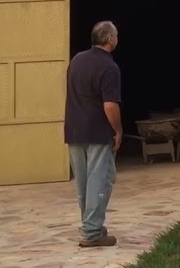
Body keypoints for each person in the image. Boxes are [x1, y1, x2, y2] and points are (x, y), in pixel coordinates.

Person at [64, 20, 123, 248]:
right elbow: (110, 105)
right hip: (97, 130)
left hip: (74, 129)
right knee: (100, 179)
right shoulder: (109, 67)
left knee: (83, 183)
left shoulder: (77, 60)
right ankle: (91, 232)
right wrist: (117, 130)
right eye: (116, 36)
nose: (117, 39)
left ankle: (91, 225)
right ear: (110, 40)